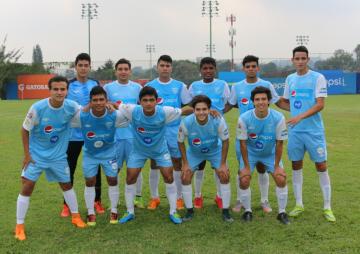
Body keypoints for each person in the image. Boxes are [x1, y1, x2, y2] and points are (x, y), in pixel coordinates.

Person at [15, 76, 87, 241]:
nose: (59, 92)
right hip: (36, 156)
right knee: (27, 186)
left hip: (58, 156)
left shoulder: (71, 106)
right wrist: (27, 155)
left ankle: (75, 216)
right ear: (50, 90)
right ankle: (19, 226)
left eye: (63, 89)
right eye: (56, 89)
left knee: (66, 184)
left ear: (67, 91)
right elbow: (24, 130)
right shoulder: (38, 108)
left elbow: (85, 114)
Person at [117, 86, 192, 225]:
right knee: (130, 177)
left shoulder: (165, 111)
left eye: (151, 100)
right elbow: (116, 105)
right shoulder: (132, 110)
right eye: (145, 100)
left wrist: (208, 110)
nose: (148, 103)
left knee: (169, 177)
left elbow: (184, 110)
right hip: (138, 151)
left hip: (160, 151)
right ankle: (130, 211)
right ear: (140, 101)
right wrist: (109, 105)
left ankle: (173, 210)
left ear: (156, 101)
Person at [277, 46, 335, 222]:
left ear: (308, 59)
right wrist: (275, 101)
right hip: (295, 132)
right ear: (292, 60)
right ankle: (299, 204)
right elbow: (287, 103)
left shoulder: (318, 78)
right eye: (297, 58)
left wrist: (299, 116)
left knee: (321, 166)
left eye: (303, 58)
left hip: (313, 131)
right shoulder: (290, 79)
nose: (300, 61)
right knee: (296, 165)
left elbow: (320, 104)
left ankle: (327, 207)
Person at [228, 55, 280, 213]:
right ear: (243, 68)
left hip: (265, 134)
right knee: (243, 169)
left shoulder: (266, 84)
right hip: (244, 135)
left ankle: (264, 201)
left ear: (258, 68)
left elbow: (277, 102)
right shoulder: (237, 87)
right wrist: (211, 113)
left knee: (263, 168)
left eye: (253, 66)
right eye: (247, 66)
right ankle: (240, 200)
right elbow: (230, 105)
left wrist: (299, 112)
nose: (251, 69)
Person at [71, 86, 129, 226]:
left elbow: (128, 117)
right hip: (90, 154)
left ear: (106, 100)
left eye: (101, 99)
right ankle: (91, 212)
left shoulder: (114, 115)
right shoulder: (83, 115)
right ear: (90, 101)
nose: (98, 103)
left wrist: (115, 107)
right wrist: (83, 109)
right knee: (90, 181)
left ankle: (114, 210)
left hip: (109, 153)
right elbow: (69, 120)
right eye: (95, 100)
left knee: (112, 180)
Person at [237, 86, 289, 224]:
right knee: (244, 179)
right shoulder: (244, 118)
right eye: (257, 99)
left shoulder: (278, 117)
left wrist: (277, 166)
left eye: (263, 99)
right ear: (253, 102)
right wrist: (247, 167)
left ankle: (282, 213)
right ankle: (247, 211)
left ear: (269, 101)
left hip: (269, 154)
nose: (260, 102)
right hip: (251, 153)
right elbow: (242, 144)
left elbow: (279, 144)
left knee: (281, 178)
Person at [146, 55, 192, 210]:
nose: (165, 68)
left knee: (176, 163)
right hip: (155, 131)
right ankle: (154, 197)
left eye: (168, 65)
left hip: (174, 130)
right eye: (162, 65)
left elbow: (190, 106)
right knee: (154, 163)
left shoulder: (180, 86)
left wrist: (176, 112)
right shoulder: (150, 86)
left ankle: (179, 198)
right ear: (157, 67)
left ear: (171, 68)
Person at [61, 53, 104, 217]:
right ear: (75, 66)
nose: (83, 68)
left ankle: (97, 201)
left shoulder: (95, 83)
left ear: (90, 66)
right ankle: (66, 205)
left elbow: (99, 104)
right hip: (72, 135)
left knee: (95, 168)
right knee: (68, 169)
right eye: (81, 65)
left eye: (86, 65)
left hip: (92, 134)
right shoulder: (69, 85)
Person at [178, 95, 233, 222]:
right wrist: (185, 163)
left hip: (215, 151)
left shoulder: (218, 119)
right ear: (194, 110)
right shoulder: (186, 122)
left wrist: (223, 164)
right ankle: (189, 211)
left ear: (209, 110)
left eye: (204, 109)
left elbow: (225, 141)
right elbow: (180, 142)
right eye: (198, 109)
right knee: (185, 176)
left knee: (224, 175)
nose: (201, 112)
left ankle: (225, 211)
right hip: (195, 152)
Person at [188, 57, 231, 209]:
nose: (207, 71)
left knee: (217, 166)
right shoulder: (194, 86)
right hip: (198, 130)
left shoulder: (222, 84)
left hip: (216, 131)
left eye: (210, 68)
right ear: (200, 70)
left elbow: (228, 104)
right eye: (205, 68)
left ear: (215, 69)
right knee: (199, 166)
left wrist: (218, 114)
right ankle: (198, 196)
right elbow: (189, 106)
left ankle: (219, 196)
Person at [103, 58, 144, 208]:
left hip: (134, 135)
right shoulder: (108, 88)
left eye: (126, 69)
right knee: (115, 168)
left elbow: (141, 109)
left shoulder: (137, 88)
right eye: (120, 69)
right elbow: (104, 105)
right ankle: (115, 200)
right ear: (116, 71)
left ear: (130, 71)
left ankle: (138, 198)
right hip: (115, 136)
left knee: (136, 169)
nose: (123, 72)